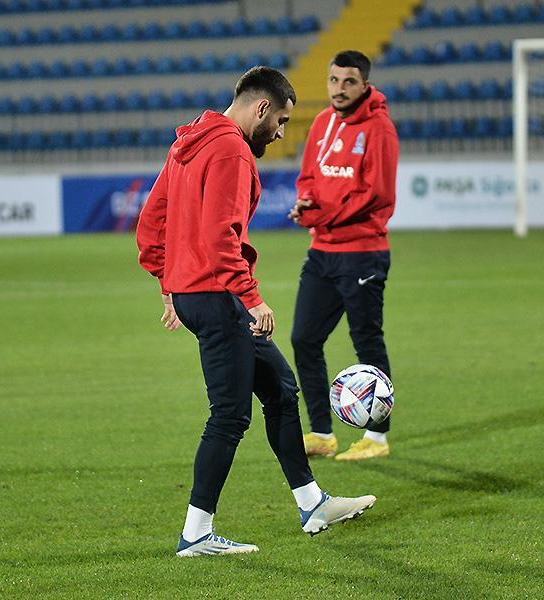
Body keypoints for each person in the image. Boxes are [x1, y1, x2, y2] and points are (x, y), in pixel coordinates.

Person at [136, 66, 376, 558]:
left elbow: (151, 221)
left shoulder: (190, 142)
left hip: (198, 292)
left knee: (281, 391)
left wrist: (168, 283)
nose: (281, 133)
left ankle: (312, 504)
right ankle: (196, 533)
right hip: (218, 294)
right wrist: (251, 297)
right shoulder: (230, 148)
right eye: (281, 121)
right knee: (228, 415)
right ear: (262, 107)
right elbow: (219, 236)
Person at [289, 50, 399, 462]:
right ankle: (322, 433)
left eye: (349, 81)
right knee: (304, 338)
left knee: (366, 340)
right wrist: (306, 202)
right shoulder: (322, 122)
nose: (339, 89)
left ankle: (377, 438)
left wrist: (324, 215)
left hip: (362, 252)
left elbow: (377, 194)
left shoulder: (379, 128)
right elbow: (308, 177)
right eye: (334, 80)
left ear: (365, 84)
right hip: (322, 250)